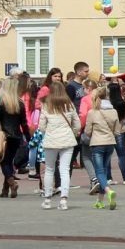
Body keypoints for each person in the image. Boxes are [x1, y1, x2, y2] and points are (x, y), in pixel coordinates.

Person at [39, 82, 80, 210]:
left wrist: (49, 133)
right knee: (65, 169)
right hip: (67, 139)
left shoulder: (47, 105)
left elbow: (41, 126)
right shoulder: (69, 105)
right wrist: (71, 133)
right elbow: (77, 124)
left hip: (52, 140)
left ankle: (47, 199)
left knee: (49, 169)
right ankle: (64, 200)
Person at [84, 86, 123, 209]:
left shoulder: (92, 112)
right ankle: (100, 200)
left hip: (97, 143)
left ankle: (108, 190)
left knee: (99, 171)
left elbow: (87, 131)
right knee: (104, 171)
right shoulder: (113, 111)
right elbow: (117, 131)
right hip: (110, 143)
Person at [0, 78, 29, 199]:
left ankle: (12, 183)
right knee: (9, 161)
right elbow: (24, 122)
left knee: (4, 162)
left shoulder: (0, 101)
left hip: (4, 136)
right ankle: (5, 190)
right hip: (16, 136)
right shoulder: (20, 102)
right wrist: (28, 136)